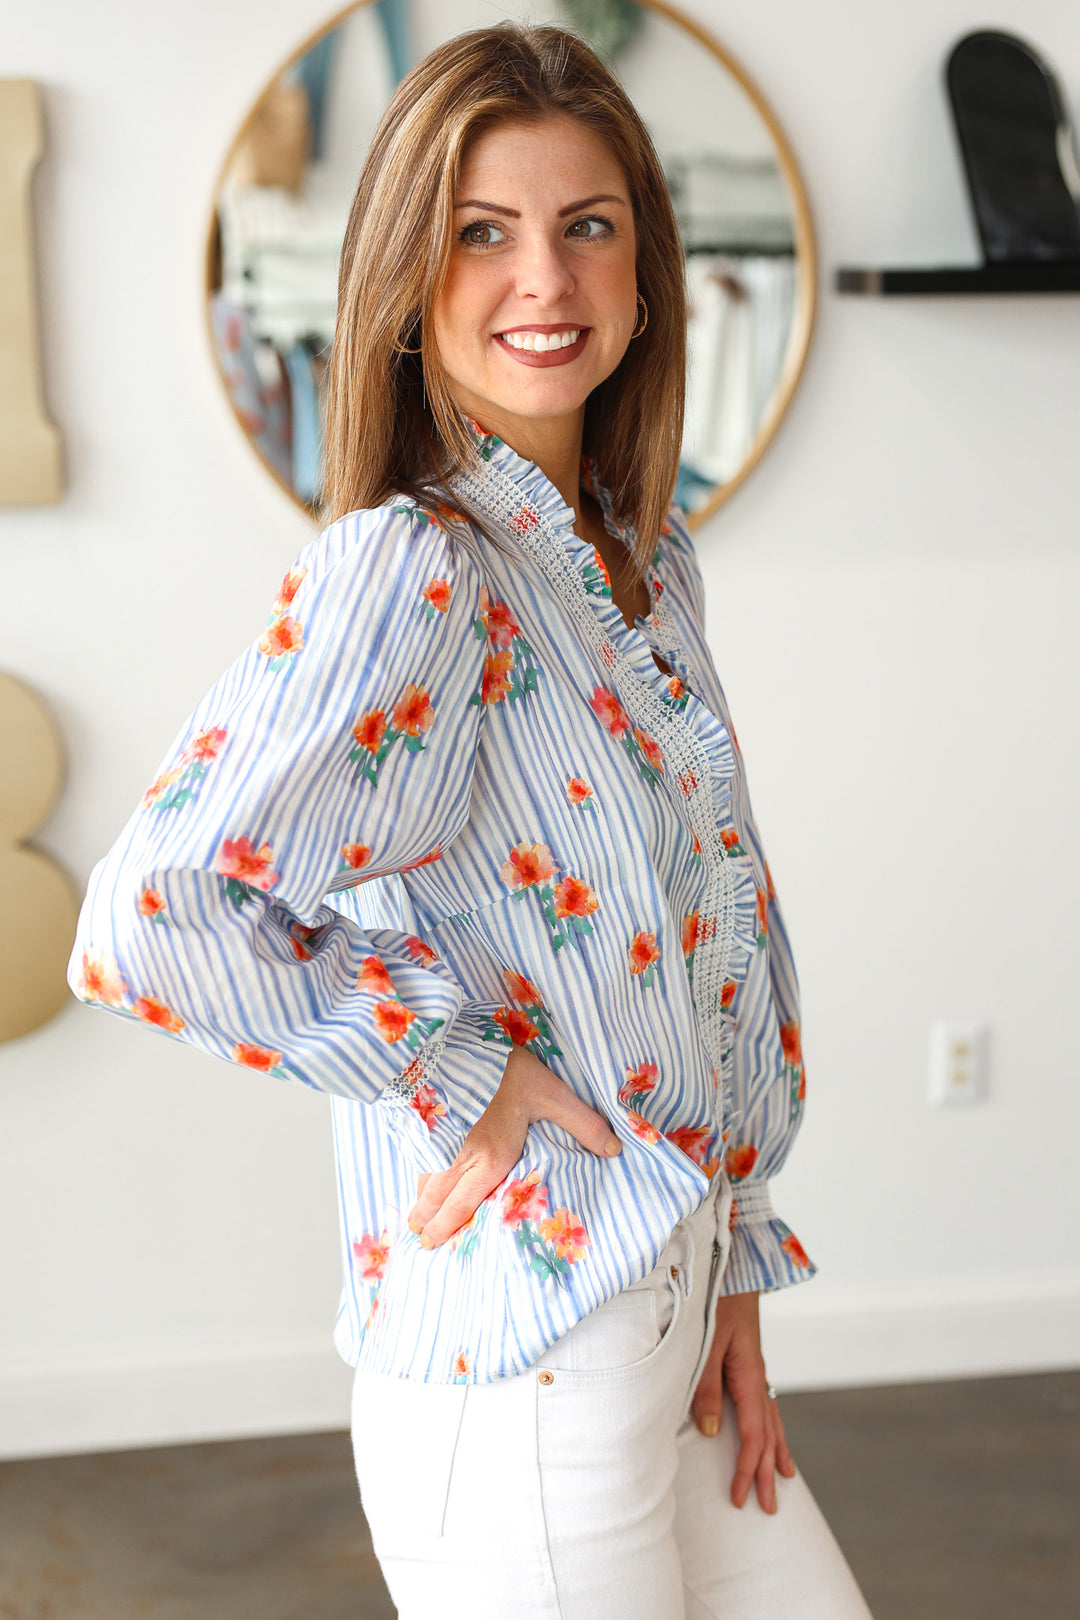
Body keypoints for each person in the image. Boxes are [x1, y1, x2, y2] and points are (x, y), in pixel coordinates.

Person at [68, 22, 873, 1620]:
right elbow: (151, 912)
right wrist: (453, 1065)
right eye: (480, 232)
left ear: (647, 266)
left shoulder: (643, 565)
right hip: (521, 1378)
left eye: (588, 226)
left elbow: (709, 942)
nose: (545, 282)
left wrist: (734, 1257)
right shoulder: (415, 569)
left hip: (674, 1329)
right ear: (405, 275)